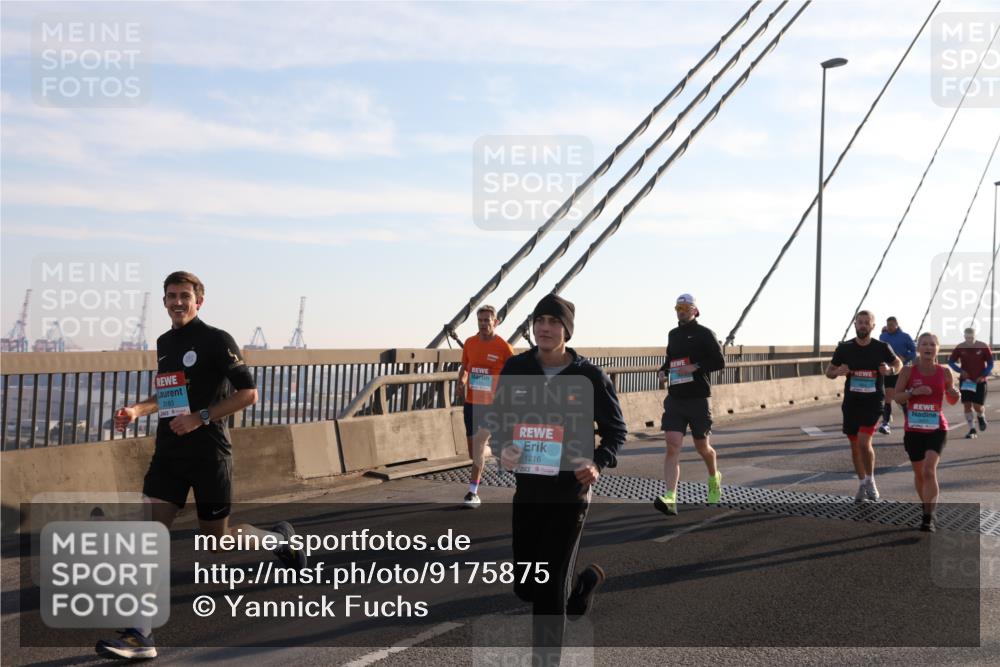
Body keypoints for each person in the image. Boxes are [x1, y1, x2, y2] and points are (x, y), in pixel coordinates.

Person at [98, 271, 306, 660]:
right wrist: (136, 410)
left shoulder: (217, 340)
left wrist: (202, 416)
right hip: (169, 454)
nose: (178, 302)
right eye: (171, 296)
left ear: (199, 301)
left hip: (210, 454)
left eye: (185, 296)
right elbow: (169, 395)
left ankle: (280, 541)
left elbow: (248, 393)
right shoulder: (164, 343)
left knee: (217, 542)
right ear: (164, 302)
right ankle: (140, 635)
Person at [477, 293, 627, 666]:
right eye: (540, 321)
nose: (545, 328)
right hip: (529, 489)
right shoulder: (516, 368)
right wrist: (506, 447)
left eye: (554, 322)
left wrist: (598, 464)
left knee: (546, 590)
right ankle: (579, 589)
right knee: (526, 585)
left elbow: (615, 430)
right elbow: (501, 417)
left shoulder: (589, 376)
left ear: (567, 330)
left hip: (570, 492)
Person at [652, 294, 726, 517]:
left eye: (685, 307)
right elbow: (670, 359)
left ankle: (714, 478)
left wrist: (695, 367)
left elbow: (719, 362)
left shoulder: (705, 334)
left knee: (702, 447)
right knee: (672, 445)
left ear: (695, 310)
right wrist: (663, 371)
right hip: (675, 398)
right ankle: (670, 497)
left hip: (698, 399)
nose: (681, 311)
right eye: (678, 307)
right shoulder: (673, 334)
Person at [827, 310, 902, 502]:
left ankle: (871, 480)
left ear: (872, 326)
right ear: (855, 325)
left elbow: (898, 363)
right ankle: (862, 483)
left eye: (866, 322)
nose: (862, 325)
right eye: (859, 322)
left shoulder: (882, 347)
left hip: (873, 401)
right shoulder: (845, 348)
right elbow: (828, 371)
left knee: (863, 441)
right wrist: (838, 371)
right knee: (854, 445)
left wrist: (890, 369)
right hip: (852, 402)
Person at [894, 332, 960, 532]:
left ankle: (928, 517)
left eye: (932, 344)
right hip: (913, 428)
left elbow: (951, 399)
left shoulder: (945, 372)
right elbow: (897, 397)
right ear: (918, 348)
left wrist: (954, 394)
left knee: (929, 470)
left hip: (936, 427)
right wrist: (914, 392)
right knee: (919, 474)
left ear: (937, 349)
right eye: (924, 344)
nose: (928, 347)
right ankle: (927, 506)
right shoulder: (908, 371)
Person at [456, 305, 514, 508]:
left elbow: (514, 373)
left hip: (492, 406)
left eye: (486, 320)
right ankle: (494, 449)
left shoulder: (504, 347)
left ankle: (473, 492)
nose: (483, 324)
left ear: (495, 322)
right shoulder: (470, 343)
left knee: (479, 443)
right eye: (480, 320)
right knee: (474, 453)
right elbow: (464, 367)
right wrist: (461, 382)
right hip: (471, 403)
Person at [948, 327, 994, 439]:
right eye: (967, 338)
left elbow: (990, 363)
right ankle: (972, 429)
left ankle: (980, 415)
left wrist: (983, 375)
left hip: (979, 381)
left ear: (975, 336)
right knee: (967, 404)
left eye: (971, 338)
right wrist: (960, 371)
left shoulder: (982, 346)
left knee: (977, 406)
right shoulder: (960, 347)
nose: (969, 340)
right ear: (964, 337)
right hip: (966, 381)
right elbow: (951, 361)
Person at [877, 316, 915, 434]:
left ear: (897, 324)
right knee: (888, 397)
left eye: (892, 325)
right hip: (889, 370)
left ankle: (909, 423)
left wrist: (906, 358)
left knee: (901, 398)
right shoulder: (883, 337)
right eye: (888, 325)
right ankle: (886, 423)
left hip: (902, 370)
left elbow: (914, 351)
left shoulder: (905, 337)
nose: (889, 327)